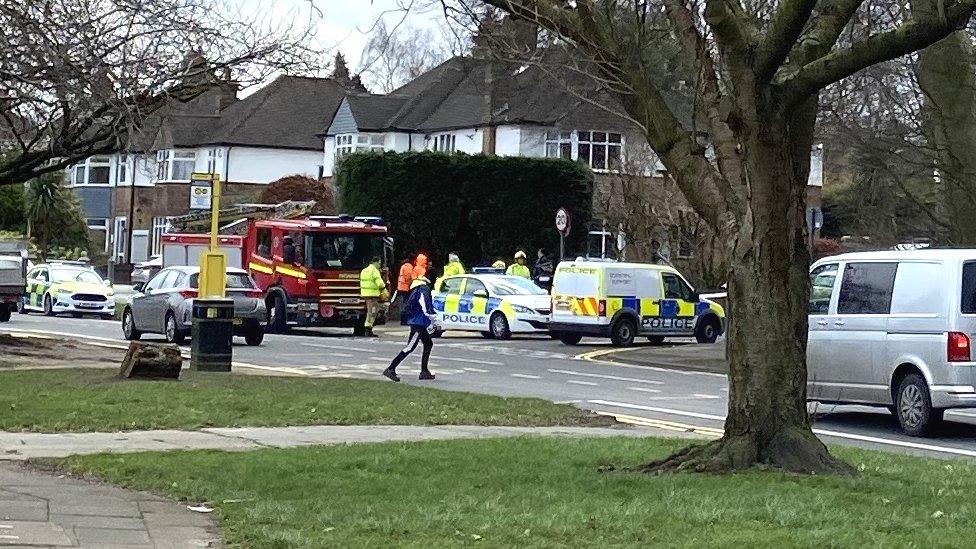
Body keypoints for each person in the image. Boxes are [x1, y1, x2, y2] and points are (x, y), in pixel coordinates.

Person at [383, 274, 437, 382]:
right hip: (419, 323)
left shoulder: (415, 289)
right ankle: (390, 369)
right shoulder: (423, 289)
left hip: (417, 321)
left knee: (428, 343)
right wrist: (433, 318)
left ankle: (424, 371)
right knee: (410, 347)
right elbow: (425, 305)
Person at [359, 256, 388, 337]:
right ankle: (368, 329)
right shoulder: (374, 271)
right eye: (379, 263)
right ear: (377, 262)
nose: (380, 265)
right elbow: (379, 283)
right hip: (373, 294)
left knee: (370, 311)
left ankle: (367, 329)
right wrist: (384, 289)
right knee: (373, 311)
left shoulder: (364, 270)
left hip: (366, 294)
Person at [394, 255, 414, 325]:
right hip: (406, 288)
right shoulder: (409, 267)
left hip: (401, 287)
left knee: (403, 303)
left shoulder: (403, 266)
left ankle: (403, 320)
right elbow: (409, 278)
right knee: (406, 304)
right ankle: (404, 321)